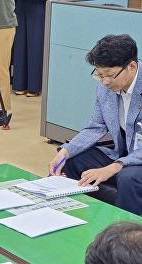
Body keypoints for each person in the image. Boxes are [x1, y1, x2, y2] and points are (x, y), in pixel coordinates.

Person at [48, 34, 142, 215]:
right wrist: (66, 151)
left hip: (133, 161)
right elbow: (96, 126)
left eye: (109, 75)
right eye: (99, 75)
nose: (104, 81)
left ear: (132, 66)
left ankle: (123, 237)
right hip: (122, 154)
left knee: (128, 178)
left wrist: (114, 167)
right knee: (71, 161)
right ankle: (60, 217)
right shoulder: (106, 87)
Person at [12, 0, 46, 97]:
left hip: (37, 4)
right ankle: (20, 83)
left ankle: (34, 86)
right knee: (20, 43)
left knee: (35, 44)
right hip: (21, 4)